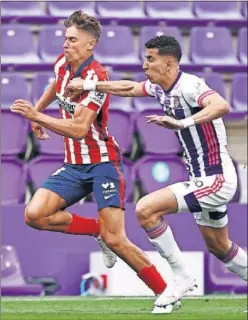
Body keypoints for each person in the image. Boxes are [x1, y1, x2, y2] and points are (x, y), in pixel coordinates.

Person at [65, 35, 248, 311]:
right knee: (219, 247)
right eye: (145, 57)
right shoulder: (161, 87)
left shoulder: (190, 85)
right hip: (202, 178)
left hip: (217, 178)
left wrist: (181, 122)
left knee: (146, 209)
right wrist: (89, 84)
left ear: (169, 63)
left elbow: (221, 105)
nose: (145, 64)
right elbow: (128, 88)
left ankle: (181, 276)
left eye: (150, 59)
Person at [10, 12, 176, 314]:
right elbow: (55, 85)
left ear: (90, 45)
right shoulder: (63, 64)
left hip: (103, 164)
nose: (65, 44)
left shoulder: (96, 77)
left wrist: (37, 117)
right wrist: (38, 109)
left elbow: (79, 128)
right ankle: (96, 230)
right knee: (34, 214)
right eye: (65, 38)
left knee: (117, 240)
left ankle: (165, 292)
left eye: (72, 40)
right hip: (74, 165)